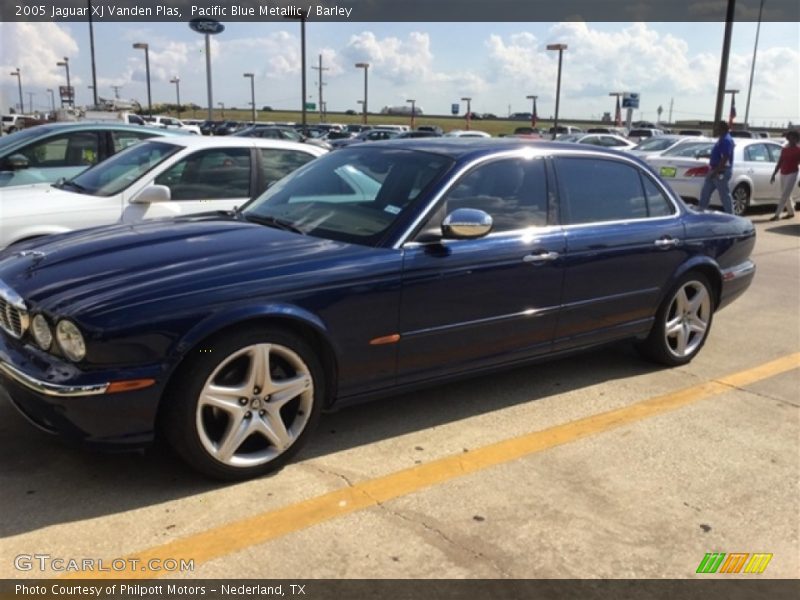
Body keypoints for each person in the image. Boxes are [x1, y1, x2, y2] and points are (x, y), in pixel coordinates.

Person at [699, 120, 735, 214]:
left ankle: (731, 216)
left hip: (720, 172)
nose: (715, 129)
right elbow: (717, 155)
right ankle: (701, 213)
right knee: (705, 193)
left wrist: (716, 171)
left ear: (722, 128)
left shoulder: (726, 140)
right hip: (714, 170)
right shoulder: (721, 139)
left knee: (724, 195)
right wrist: (705, 155)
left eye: (717, 127)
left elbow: (725, 158)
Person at [769, 130, 800, 221]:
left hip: (792, 173)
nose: (791, 139)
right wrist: (774, 173)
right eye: (790, 137)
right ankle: (791, 212)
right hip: (783, 173)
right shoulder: (785, 149)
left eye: (794, 138)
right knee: (786, 194)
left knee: (784, 195)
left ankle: (777, 215)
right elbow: (780, 161)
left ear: (797, 139)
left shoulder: (798, 150)